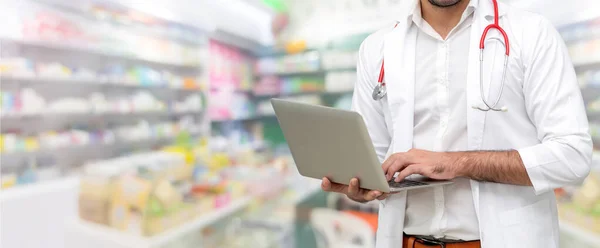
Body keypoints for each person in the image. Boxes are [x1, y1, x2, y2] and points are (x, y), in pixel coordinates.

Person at [320, 0, 592, 247]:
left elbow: (573, 156)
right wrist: (361, 184)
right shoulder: (377, 48)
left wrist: (456, 163)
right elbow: (374, 159)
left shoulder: (531, 34)